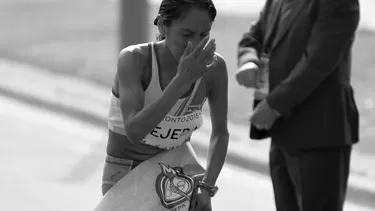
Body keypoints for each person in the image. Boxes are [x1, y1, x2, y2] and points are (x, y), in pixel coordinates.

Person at [102, 0, 229, 210]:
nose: (196, 45)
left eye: (204, 35)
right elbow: (134, 131)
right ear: (162, 25)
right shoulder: (134, 60)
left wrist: (207, 186)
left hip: (177, 172)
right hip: (127, 173)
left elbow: (220, 133)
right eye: (187, 35)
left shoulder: (214, 67)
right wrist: (182, 80)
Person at [236, 0, 360, 211]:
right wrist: (249, 60)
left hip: (321, 134)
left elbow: (319, 60)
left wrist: (274, 106)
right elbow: (253, 36)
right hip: (281, 133)